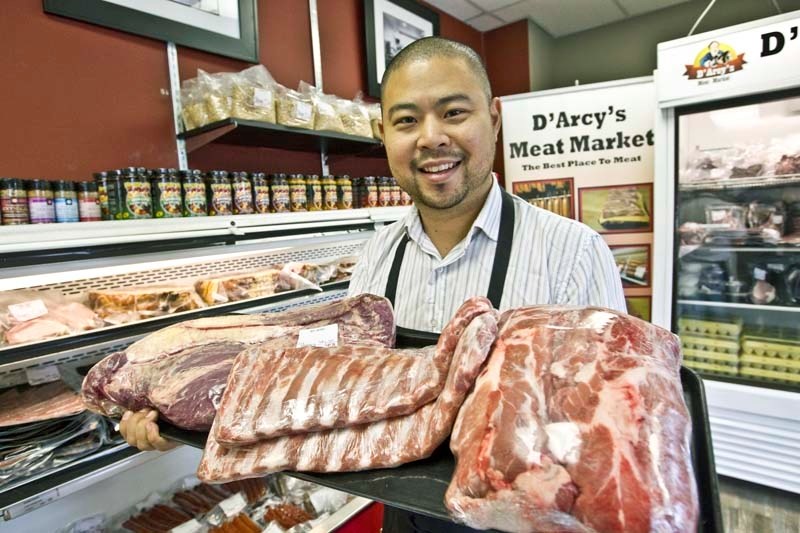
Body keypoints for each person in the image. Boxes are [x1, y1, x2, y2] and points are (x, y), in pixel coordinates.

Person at [120, 37, 625, 530]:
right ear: (384, 133)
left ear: (492, 118)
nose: (430, 138)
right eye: (407, 120)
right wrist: (191, 422)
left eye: (453, 113)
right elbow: (334, 396)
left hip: (520, 514)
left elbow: (609, 430)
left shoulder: (573, 253)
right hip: (402, 511)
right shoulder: (378, 255)